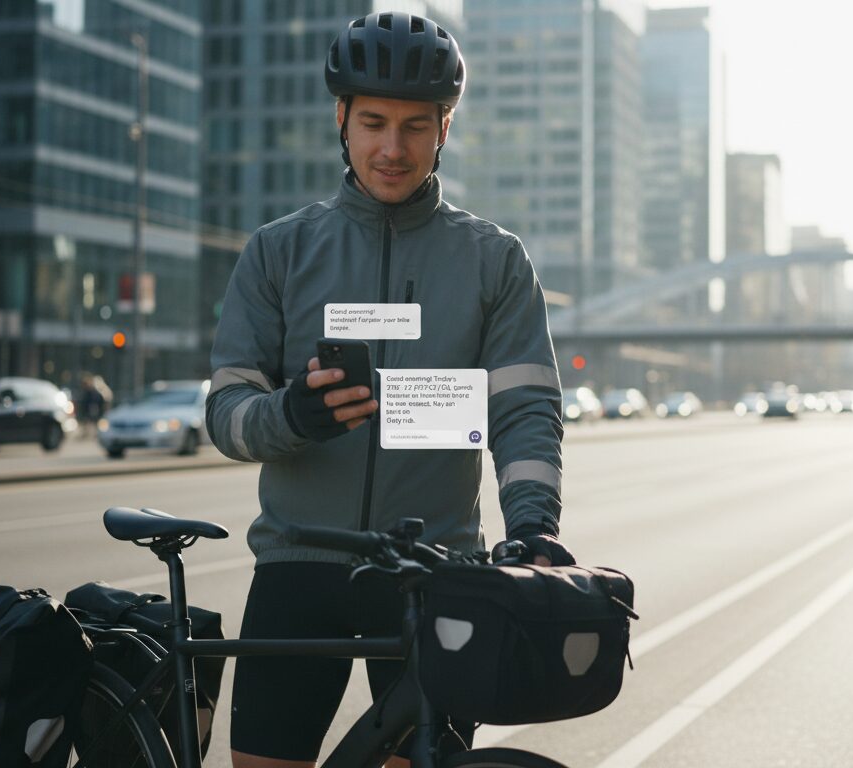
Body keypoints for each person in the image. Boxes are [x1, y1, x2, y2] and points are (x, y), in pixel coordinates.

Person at [204, 13, 569, 767]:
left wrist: (533, 526)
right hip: (298, 570)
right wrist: (291, 414)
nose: (392, 149)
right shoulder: (279, 251)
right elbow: (226, 414)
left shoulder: (494, 261)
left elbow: (523, 409)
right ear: (341, 118)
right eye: (373, 123)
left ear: (445, 128)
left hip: (437, 575)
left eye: (415, 126)